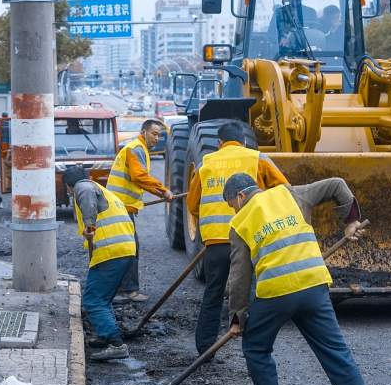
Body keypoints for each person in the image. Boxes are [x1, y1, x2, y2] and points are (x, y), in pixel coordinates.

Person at [222, 173, 387, 385]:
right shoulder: (290, 192)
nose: (234, 209)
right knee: (335, 352)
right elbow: (337, 184)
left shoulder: (239, 222)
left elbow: (239, 276)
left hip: (275, 294)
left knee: (255, 346)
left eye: (232, 204)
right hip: (313, 286)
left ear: (240, 196)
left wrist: (237, 319)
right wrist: (351, 221)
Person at [186, 121, 289, 356]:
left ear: (219, 144)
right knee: (251, 293)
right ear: (243, 141)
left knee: (213, 292)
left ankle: (205, 349)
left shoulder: (206, 164)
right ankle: (254, 345)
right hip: (251, 239)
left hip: (216, 245)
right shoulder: (258, 158)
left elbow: (192, 204)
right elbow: (284, 190)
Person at [64, 165, 135, 361]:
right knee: (103, 298)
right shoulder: (102, 190)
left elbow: (84, 194)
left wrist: (89, 226)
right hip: (124, 249)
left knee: (93, 300)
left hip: (110, 251)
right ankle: (105, 335)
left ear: (69, 187)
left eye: (69, 190)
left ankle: (116, 343)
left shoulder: (84, 187)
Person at [106, 119, 173, 303]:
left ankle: (123, 289)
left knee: (127, 248)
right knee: (129, 249)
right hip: (120, 208)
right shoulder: (136, 148)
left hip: (121, 207)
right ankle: (127, 291)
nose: (157, 138)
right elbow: (139, 177)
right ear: (144, 132)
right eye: (154, 133)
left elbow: (138, 178)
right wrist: (163, 190)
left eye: (159, 135)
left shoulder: (138, 149)